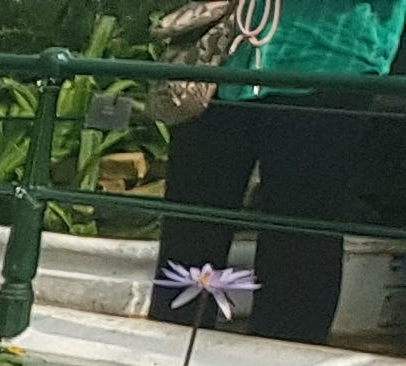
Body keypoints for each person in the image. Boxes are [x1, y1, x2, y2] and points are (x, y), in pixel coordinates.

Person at [148, 0, 405, 343]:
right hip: (223, 62)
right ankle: (167, 359)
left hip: (326, 59)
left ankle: (282, 364)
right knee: (191, 227)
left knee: (299, 234)